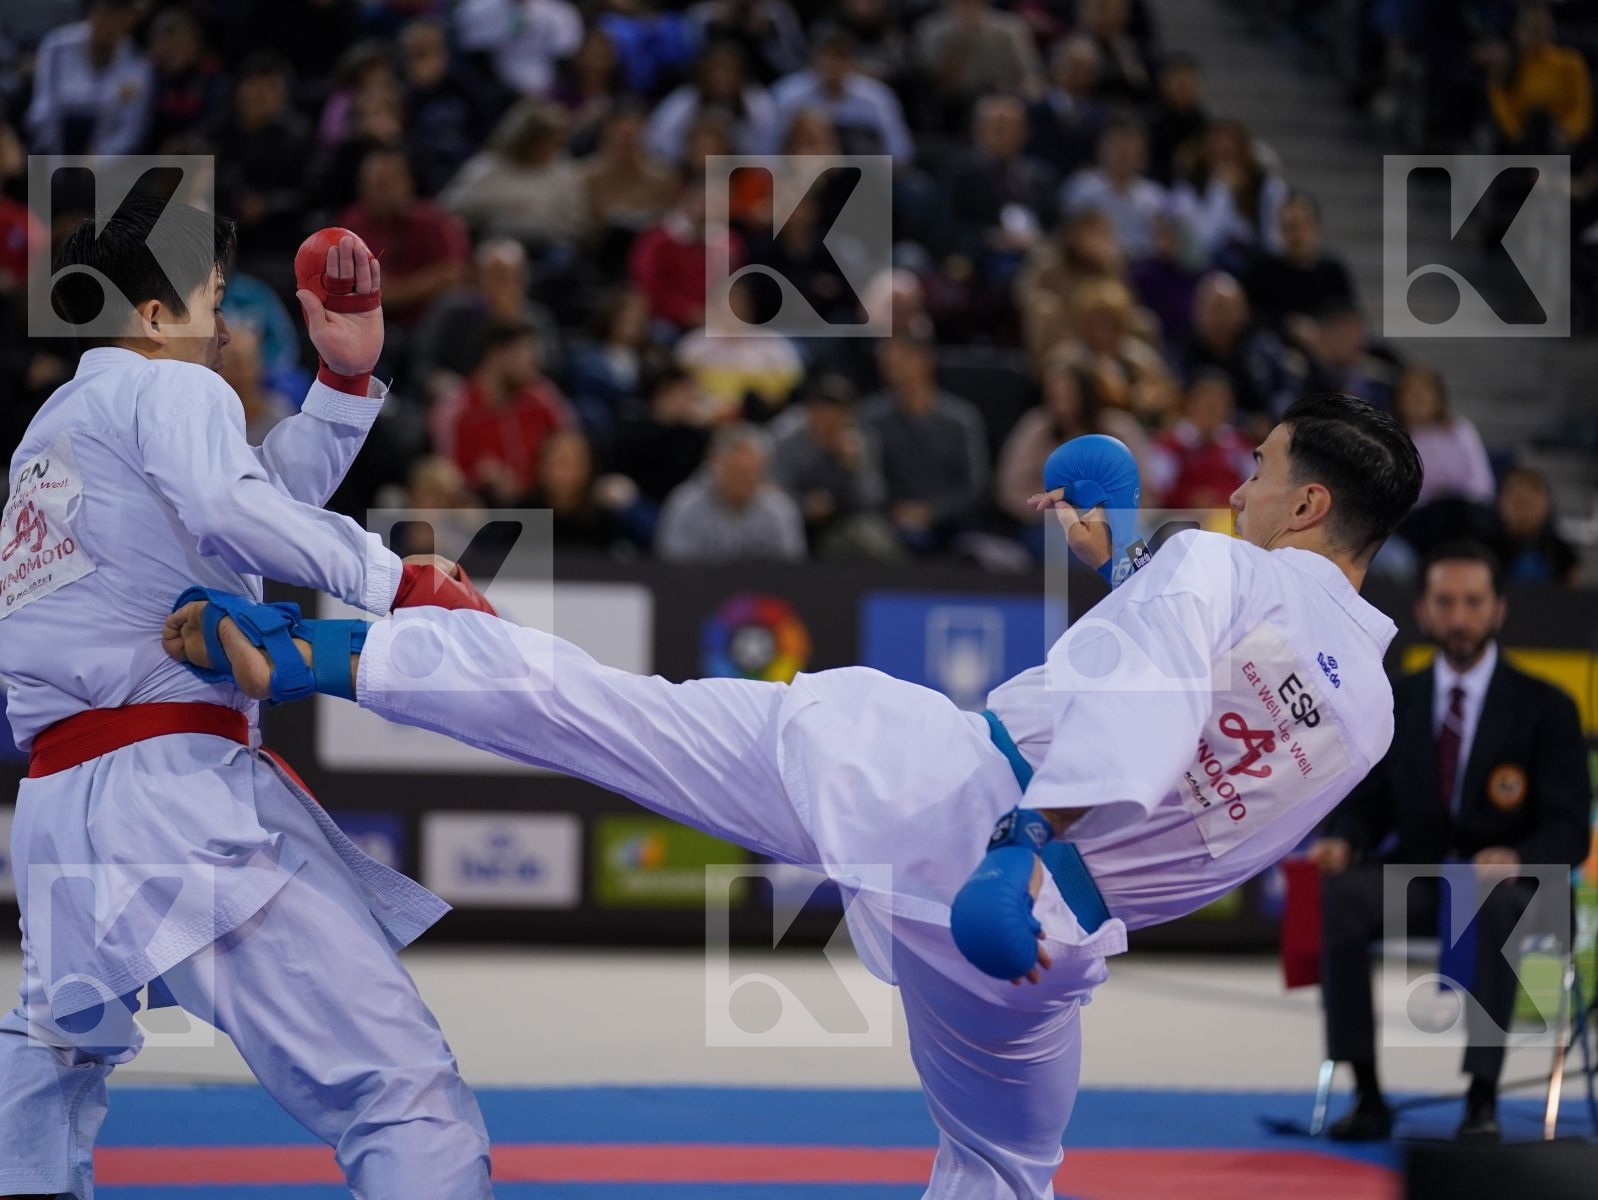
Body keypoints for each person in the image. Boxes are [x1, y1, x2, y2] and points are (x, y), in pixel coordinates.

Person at [165, 392, 1424, 1200]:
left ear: (1306, 502)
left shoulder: (1212, 565)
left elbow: (1154, 684)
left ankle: (336, 653)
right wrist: (1131, 564)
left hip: (941, 797)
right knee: (1000, 1169)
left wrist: (1023, 832)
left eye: (1257, 472)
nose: (1236, 488)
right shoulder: (1365, 710)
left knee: (605, 712)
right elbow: (1220, 746)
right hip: (1032, 950)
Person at [0, 201, 493, 1199]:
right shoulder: (168, 386)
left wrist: (343, 386)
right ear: (151, 313)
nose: (223, 326)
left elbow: (233, 508)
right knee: (398, 1090)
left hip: (62, 804)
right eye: (212, 300)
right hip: (168, 797)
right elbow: (235, 508)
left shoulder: (51, 433)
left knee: (51, 1065)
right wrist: (396, 579)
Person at [1306, 540, 1590, 1142]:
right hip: (1425, 878)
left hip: (1516, 889)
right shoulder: (1395, 699)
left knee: (1498, 904)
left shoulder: (1548, 708)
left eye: (1473, 602)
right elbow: (1369, 803)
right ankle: (1368, 1094)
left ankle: (1482, 1099)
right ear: (1425, 611)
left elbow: (1570, 826)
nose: (1460, 617)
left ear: (1498, 610)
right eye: (1446, 602)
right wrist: (1346, 840)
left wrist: (1518, 857)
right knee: (1340, 896)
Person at [655, 424, 806, 562]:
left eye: (752, 474)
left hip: (761, 589)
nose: (744, 481)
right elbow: (672, 566)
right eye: (736, 472)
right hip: (698, 587)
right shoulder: (685, 505)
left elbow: (791, 571)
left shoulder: (779, 510)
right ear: (715, 467)